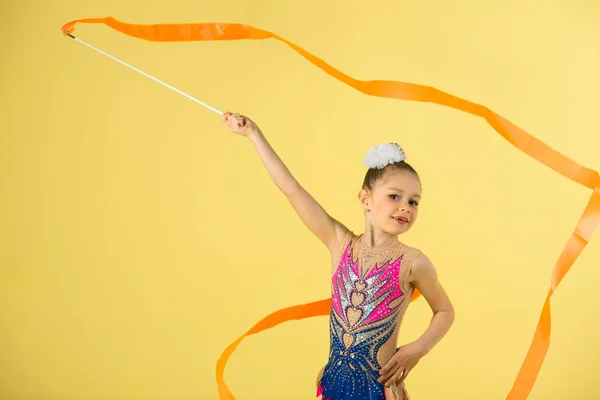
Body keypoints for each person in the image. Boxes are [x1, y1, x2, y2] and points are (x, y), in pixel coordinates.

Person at [221, 112, 455, 400]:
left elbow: (445, 311)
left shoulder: (413, 262)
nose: (405, 207)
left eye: (413, 201)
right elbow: (292, 190)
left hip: (376, 390)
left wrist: (417, 349)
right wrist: (254, 135)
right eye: (394, 196)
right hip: (335, 384)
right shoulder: (340, 243)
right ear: (365, 200)